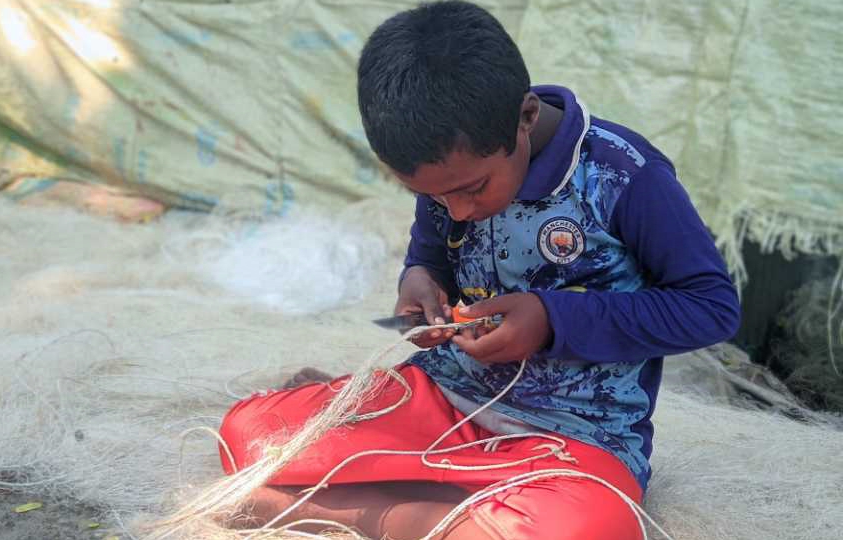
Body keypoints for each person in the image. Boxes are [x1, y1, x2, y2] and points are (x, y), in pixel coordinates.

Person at [218, 1, 741, 538]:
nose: (459, 210)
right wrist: (419, 281)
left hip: (577, 439)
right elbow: (430, 253)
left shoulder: (623, 175)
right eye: (431, 196)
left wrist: (551, 319)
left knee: (580, 529)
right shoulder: (449, 173)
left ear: (527, 117)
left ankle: (330, 510)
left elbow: (711, 308)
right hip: (444, 401)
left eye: (471, 190)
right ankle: (456, 512)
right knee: (248, 431)